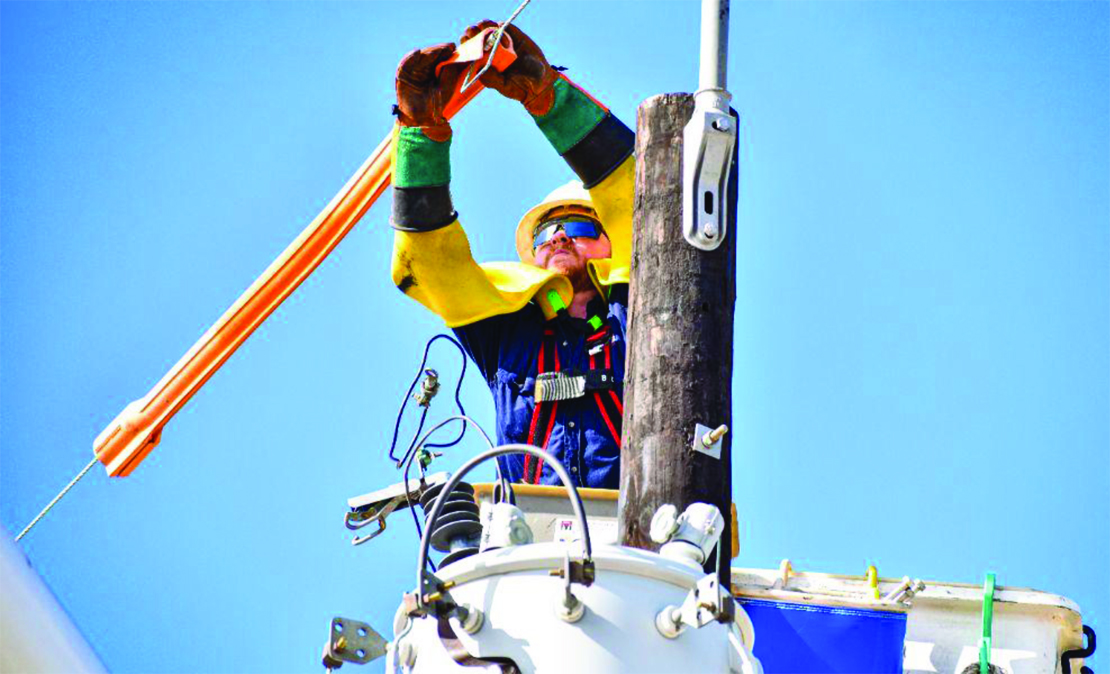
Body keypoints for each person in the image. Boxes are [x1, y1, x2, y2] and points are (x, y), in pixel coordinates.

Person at [389, 21, 634, 489]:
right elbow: (430, 266)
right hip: (534, 543)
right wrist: (420, 136)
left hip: (646, 536)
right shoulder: (508, 333)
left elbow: (637, 196)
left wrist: (548, 99)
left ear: (612, 243)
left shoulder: (642, 317)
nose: (560, 239)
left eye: (580, 228)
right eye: (545, 234)